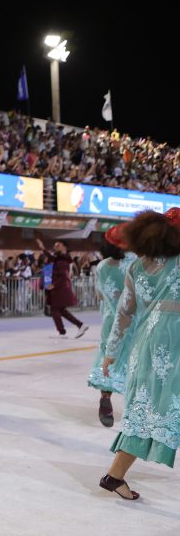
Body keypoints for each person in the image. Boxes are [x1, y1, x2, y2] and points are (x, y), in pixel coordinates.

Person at [99, 210, 180, 500]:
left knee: (141, 413)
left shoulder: (137, 268)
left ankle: (114, 476)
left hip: (145, 347)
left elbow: (123, 315)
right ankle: (113, 476)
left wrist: (110, 354)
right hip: (175, 346)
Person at [88, 225, 134, 427]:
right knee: (134, 359)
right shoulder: (134, 262)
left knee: (108, 357)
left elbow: (99, 295)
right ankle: (136, 407)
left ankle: (105, 399)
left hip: (110, 320)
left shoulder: (101, 266)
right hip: (133, 320)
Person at [36, 238, 89, 338]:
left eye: (58, 245)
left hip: (60, 288)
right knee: (61, 310)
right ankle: (80, 325)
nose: (55, 247)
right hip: (60, 287)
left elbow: (64, 276)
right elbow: (51, 257)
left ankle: (62, 332)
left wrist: (54, 284)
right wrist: (42, 248)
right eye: (55, 245)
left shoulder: (63, 260)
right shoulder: (60, 258)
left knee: (54, 309)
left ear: (64, 246)